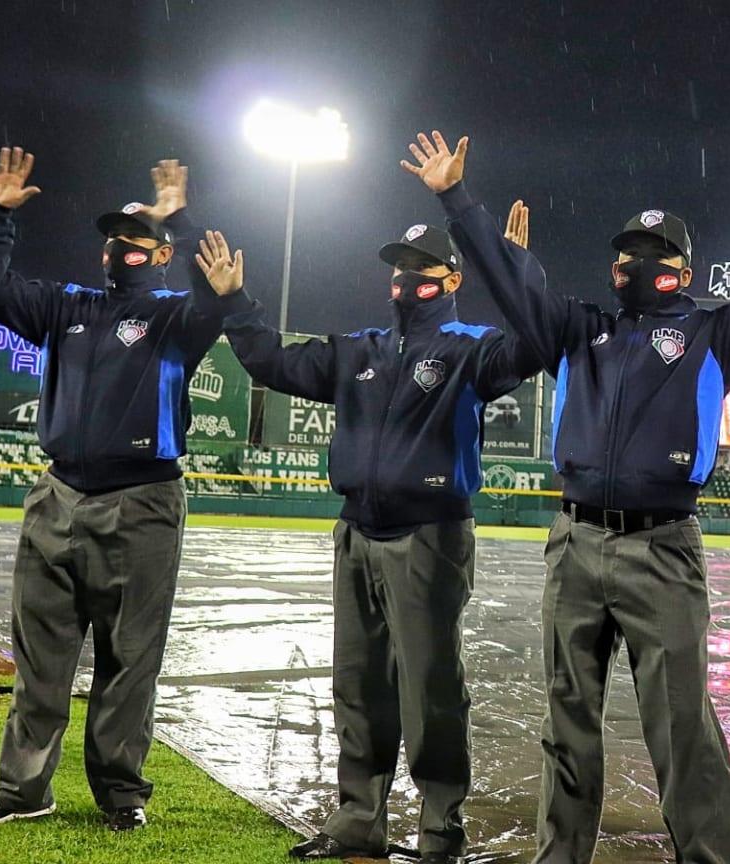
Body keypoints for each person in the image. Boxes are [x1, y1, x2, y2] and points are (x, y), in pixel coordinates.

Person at [402, 127, 730, 864]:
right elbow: (511, 284)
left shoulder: (715, 335)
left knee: (682, 726)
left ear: (683, 270)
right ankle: (561, 856)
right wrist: (456, 200)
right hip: (575, 542)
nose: (634, 264)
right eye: (626, 253)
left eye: (652, 253)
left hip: (663, 546)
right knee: (567, 723)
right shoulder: (577, 330)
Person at [193, 219, 540, 863]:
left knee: (431, 691)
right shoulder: (360, 350)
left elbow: (531, 346)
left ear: (452, 280)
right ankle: (359, 822)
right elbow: (273, 361)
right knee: (358, 687)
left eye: (420, 266)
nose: (406, 277)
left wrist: (514, 271)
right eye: (399, 265)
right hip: (356, 531)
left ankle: (440, 832)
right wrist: (235, 301)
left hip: (430, 535)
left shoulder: (470, 347)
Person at [0, 149, 246, 832]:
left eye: (137, 239)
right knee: (40, 657)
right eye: (114, 238)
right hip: (58, 494)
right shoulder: (68, 307)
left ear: (164, 255)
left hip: (142, 501)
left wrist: (182, 219)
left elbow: (216, 296)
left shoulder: (176, 317)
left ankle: (120, 793)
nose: (120, 248)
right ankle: (23, 789)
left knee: (130, 659)